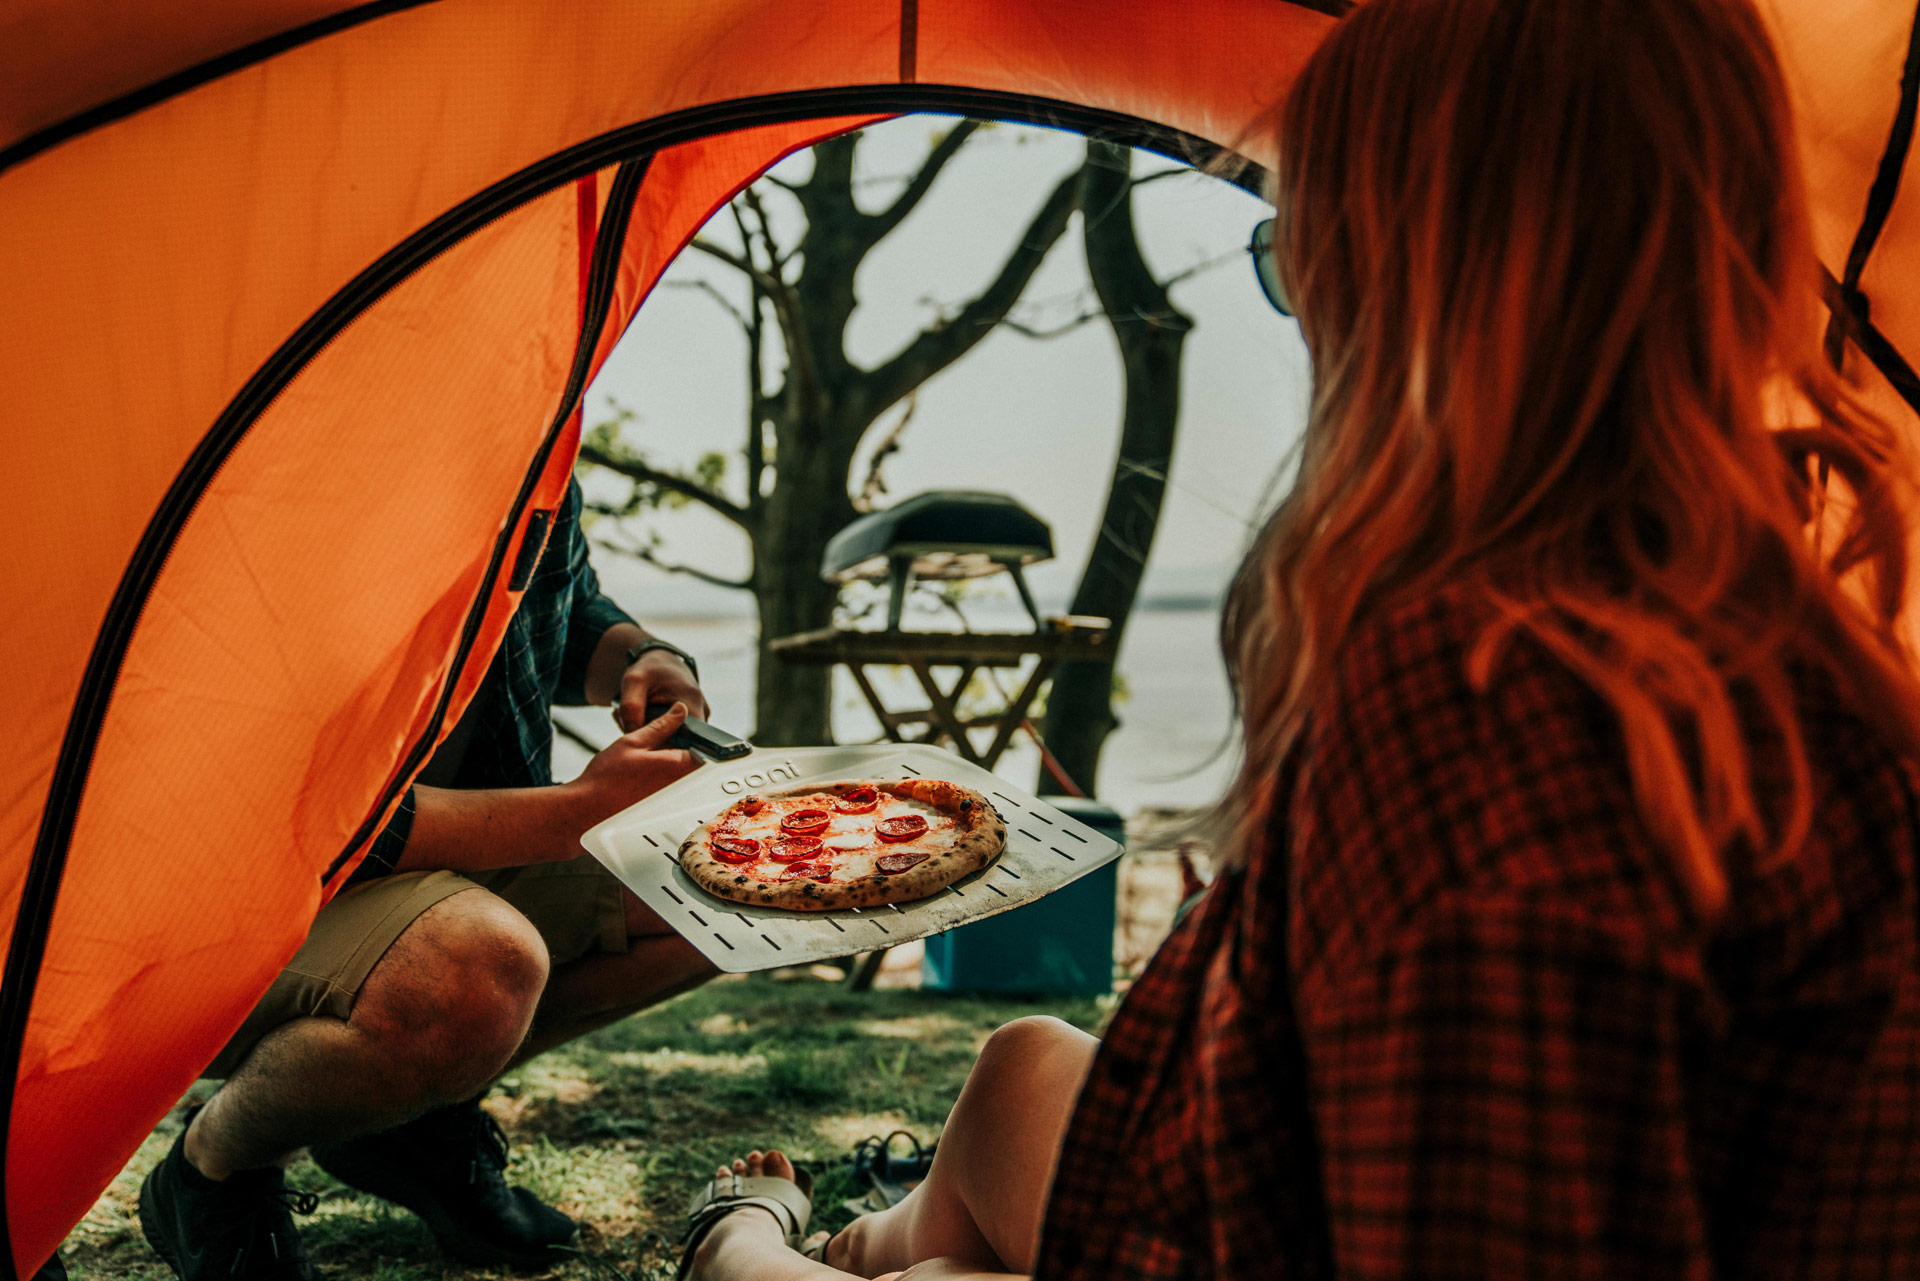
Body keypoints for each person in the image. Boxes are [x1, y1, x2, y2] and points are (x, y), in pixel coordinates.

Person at [678, 0, 1920, 1276]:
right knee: (1017, 1067)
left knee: (930, 1268)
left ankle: (742, 1241)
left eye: (1295, 255)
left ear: (1392, 271)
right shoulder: (1792, 652)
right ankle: (850, 1239)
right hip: (1222, 1197)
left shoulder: (1486, 711)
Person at [139, 477, 721, 1280]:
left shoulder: (534, 422)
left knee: (727, 878)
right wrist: (574, 810)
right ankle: (217, 1165)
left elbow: (567, 594)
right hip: (266, 889)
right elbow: (307, 815)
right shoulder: (308, 460)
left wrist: (649, 656)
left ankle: (413, 1121)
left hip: (456, 849)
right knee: (475, 967)